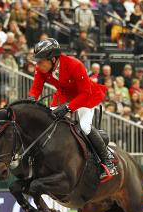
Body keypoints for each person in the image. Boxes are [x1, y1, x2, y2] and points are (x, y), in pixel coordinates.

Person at [27, 38, 115, 180]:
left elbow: (85, 93)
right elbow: (36, 88)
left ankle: (107, 161)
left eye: (41, 61)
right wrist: (31, 99)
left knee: (85, 127)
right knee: (48, 122)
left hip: (85, 96)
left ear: (53, 59)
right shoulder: (41, 68)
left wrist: (68, 107)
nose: (38, 64)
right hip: (63, 96)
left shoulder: (74, 65)